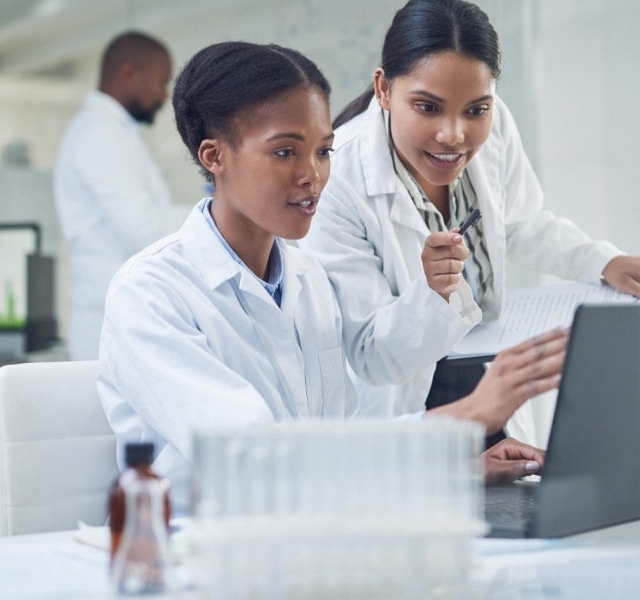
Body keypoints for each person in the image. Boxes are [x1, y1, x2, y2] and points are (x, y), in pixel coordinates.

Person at [97, 40, 568, 517]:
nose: (313, 175)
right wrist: (465, 416)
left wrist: (452, 467)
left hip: (310, 536)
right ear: (214, 156)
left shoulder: (308, 281)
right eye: (285, 152)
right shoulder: (151, 293)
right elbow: (255, 457)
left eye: (324, 152)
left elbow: (340, 443)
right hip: (200, 555)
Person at [299, 0, 640, 422]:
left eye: (476, 109)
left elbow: (519, 222)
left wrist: (603, 261)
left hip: (485, 376)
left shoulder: (496, 126)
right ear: (384, 88)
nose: (454, 135)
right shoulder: (337, 178)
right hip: (405, 406)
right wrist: (433, 292)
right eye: (427, 107)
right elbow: (371, 354)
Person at [54, 31, 190, 360]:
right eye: (161, 82)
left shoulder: (110, 131)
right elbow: (142, 230)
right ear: (128, 74)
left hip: (117, 315)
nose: (165, 94)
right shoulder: (102, 134)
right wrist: (222, 213)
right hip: (109, 321)